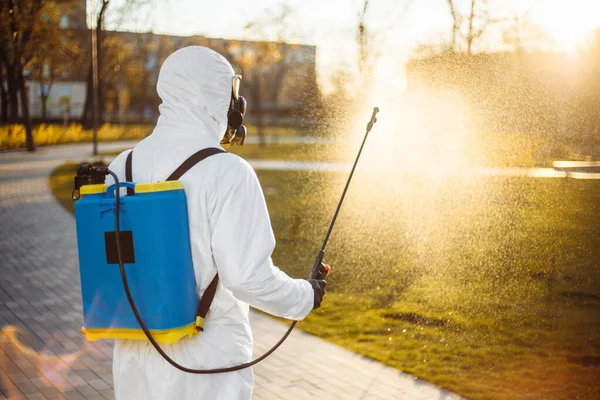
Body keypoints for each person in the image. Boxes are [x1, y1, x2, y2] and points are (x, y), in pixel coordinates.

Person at [105, 46, 327, 399]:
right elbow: (247, 278)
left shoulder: (120, 167)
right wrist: (305, 295)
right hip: (206, 367)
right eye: (231, 95)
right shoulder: (229, 172)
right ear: (215, 97)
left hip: (135, 358)